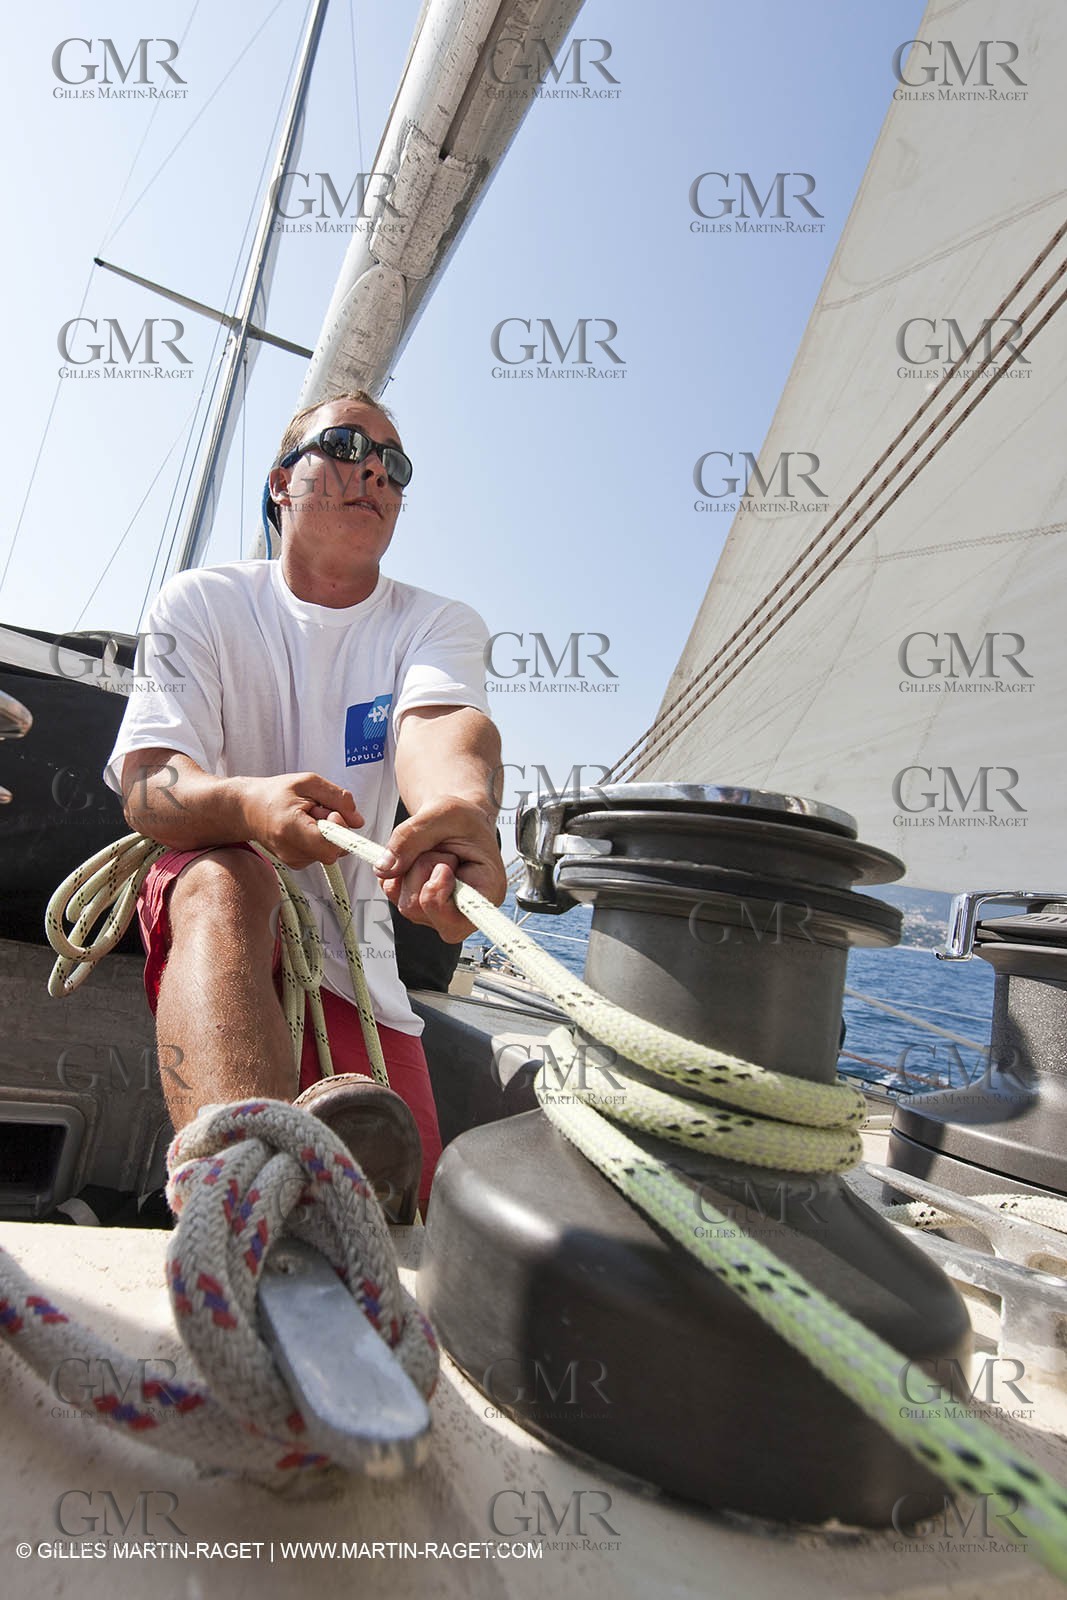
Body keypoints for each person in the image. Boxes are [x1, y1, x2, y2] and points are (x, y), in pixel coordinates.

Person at [105, 390, 507, 1213]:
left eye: (393, 464)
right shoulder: (201, 603)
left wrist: (458, 814)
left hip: (357, 966)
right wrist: (249, 807)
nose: (374, 472)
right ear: (280, 480)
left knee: (400, 1223)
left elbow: (441, 726)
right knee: (229, 876)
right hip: (217, 916)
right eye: (346, 446)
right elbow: (148, 781)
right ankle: (234, 1206)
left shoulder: (436, 623)